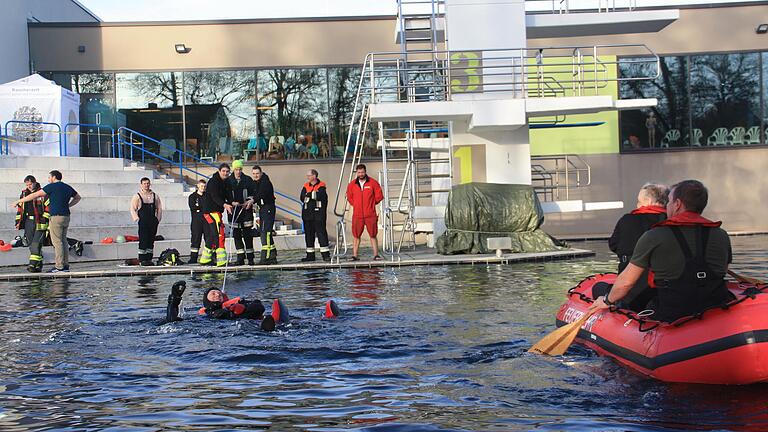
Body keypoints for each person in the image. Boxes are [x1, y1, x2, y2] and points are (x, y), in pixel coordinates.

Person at [590, 180, 734, 323]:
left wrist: (607, 301)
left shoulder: (655, 235)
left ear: (677, 204)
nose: (668, 206)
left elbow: (626, 282)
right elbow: (722, 270)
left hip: (674, 313)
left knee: (600, 289)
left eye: (669, 202)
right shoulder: (721, 234)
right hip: (715, 309)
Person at [164, 281, 340, 328]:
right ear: (207, 300)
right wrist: (175, 300)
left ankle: (324, 319)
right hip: (243, 327)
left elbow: (258, 305)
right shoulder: (206, 315)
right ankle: (273, 324)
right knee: (172, 321)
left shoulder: (236, 303)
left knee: (295, 322)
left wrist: (242, 308)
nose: (217, 294)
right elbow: (173, 322)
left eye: (218, 292)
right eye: (212, 293)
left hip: (254, 319)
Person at [603, 183, 668, 310]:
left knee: (597, 288)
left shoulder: (627, 220)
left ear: (648, 201)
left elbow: (613, 245)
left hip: (633, 292)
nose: (637, 205)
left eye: (638, 202)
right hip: (664, 291)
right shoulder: (671, 220)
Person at [12, 170, 80, 273]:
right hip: (66, 216)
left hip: (56, 217)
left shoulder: (51, 187)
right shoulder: (67, 187)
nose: (48, 179)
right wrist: (68, 205)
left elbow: (35, 195)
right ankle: (65, 265)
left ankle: (59, 266)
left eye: (49, 177)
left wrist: (19, 201)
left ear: (53, 177)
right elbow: (78, 197)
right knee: (63, 241)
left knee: (57, 242)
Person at [346, 164, 384, 261]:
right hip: (357, 215)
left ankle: (376, 255)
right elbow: (349, 197)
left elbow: (379, 195)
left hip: (370, 214)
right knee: (356, 235)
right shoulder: (352, 184)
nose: (361, 174)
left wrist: (371, 203)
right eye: (359, 172)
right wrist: (356, 204)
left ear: (365, 172)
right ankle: (355, 255)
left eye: (362, 172)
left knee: (373, 234)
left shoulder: (373, 183)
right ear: (356, 173)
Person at [14, 175, 49, 273]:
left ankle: (32, 265)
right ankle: (39, 264)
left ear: (35, 182)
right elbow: (20, 209)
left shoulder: (42, 193)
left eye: (30, 184)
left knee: (36, 243)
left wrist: (45, 219)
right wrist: (17, 222)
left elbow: (48, 207)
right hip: (28, 221)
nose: (29, 186)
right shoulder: (24, 193)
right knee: (30, 243)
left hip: (40, 221)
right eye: (27, 185)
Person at [201, 164, 233, 267]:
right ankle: (221, 260)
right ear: (219, 171)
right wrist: (225, 205)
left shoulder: (226, 182)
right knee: (220, 233)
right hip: (211, 211)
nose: (225, 173)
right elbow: (215, 196)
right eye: (223, 171)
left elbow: (228, 195)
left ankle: (205, 259)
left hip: (216, 211)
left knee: (212, 234)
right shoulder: (213, 182)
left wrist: (232, 203)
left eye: (227, 171)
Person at [228, 160, 256, 266]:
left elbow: (253, 192)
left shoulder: (247, 180)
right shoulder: (228, 181)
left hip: (246, 211)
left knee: (248, 235)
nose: (238, 171)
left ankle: (250, 258)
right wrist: (231, 203)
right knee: (236, 235)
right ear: (233, 169)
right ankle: (240, 258)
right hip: (234, 211)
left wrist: (249, 200)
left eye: (240, 169)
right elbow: (225, 195)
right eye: (236, 169)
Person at [130, 177, 163, 266]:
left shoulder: (155, 195)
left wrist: (158, 219)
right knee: (143, 240)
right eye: (144, 184)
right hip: (143, 221)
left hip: (152, 221)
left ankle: (149, 258)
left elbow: (159, 208)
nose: (146, 185)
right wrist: (136, 218)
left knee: (151, 240)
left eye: (148, 183)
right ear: (141, 185)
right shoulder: (137, 196)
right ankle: (142, 259)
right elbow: (132, 208)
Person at [300, 169, 330, 262]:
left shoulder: (321, 186)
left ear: (314, 176)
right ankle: (310, 255)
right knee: (309, 235)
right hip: (307, 215)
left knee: (321, 234)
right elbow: (302, 197)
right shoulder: (305, 186)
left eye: (309, 175)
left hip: (318, 215)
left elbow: (320, 196)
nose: (307, 177)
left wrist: (309, 195)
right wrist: (311, 196)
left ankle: (325, 255)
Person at [249, 165, 278, 264]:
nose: (255, 175)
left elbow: (261, 194)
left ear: (261, 173)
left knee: (265, 232)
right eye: (254, 174)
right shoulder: (256, 182)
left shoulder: (265, 182)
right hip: (263, 209)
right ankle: (273, 255)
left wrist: (253, 200)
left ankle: (266, 256)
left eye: (257, 173)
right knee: (264, 230)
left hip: (268, 208)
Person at [188, 179, 206, 264]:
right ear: (198, 186)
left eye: (204, 186)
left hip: (207, 221)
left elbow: (209, 207)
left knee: (209, 240)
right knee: (195, 239)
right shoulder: (192, 196)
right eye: (201, 186)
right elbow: (193, 207)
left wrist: (200, 209)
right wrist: (201, 209)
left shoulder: (207, 196)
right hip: (196, 222)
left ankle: (210, 257)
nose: (203, 188)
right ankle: (193, 258)